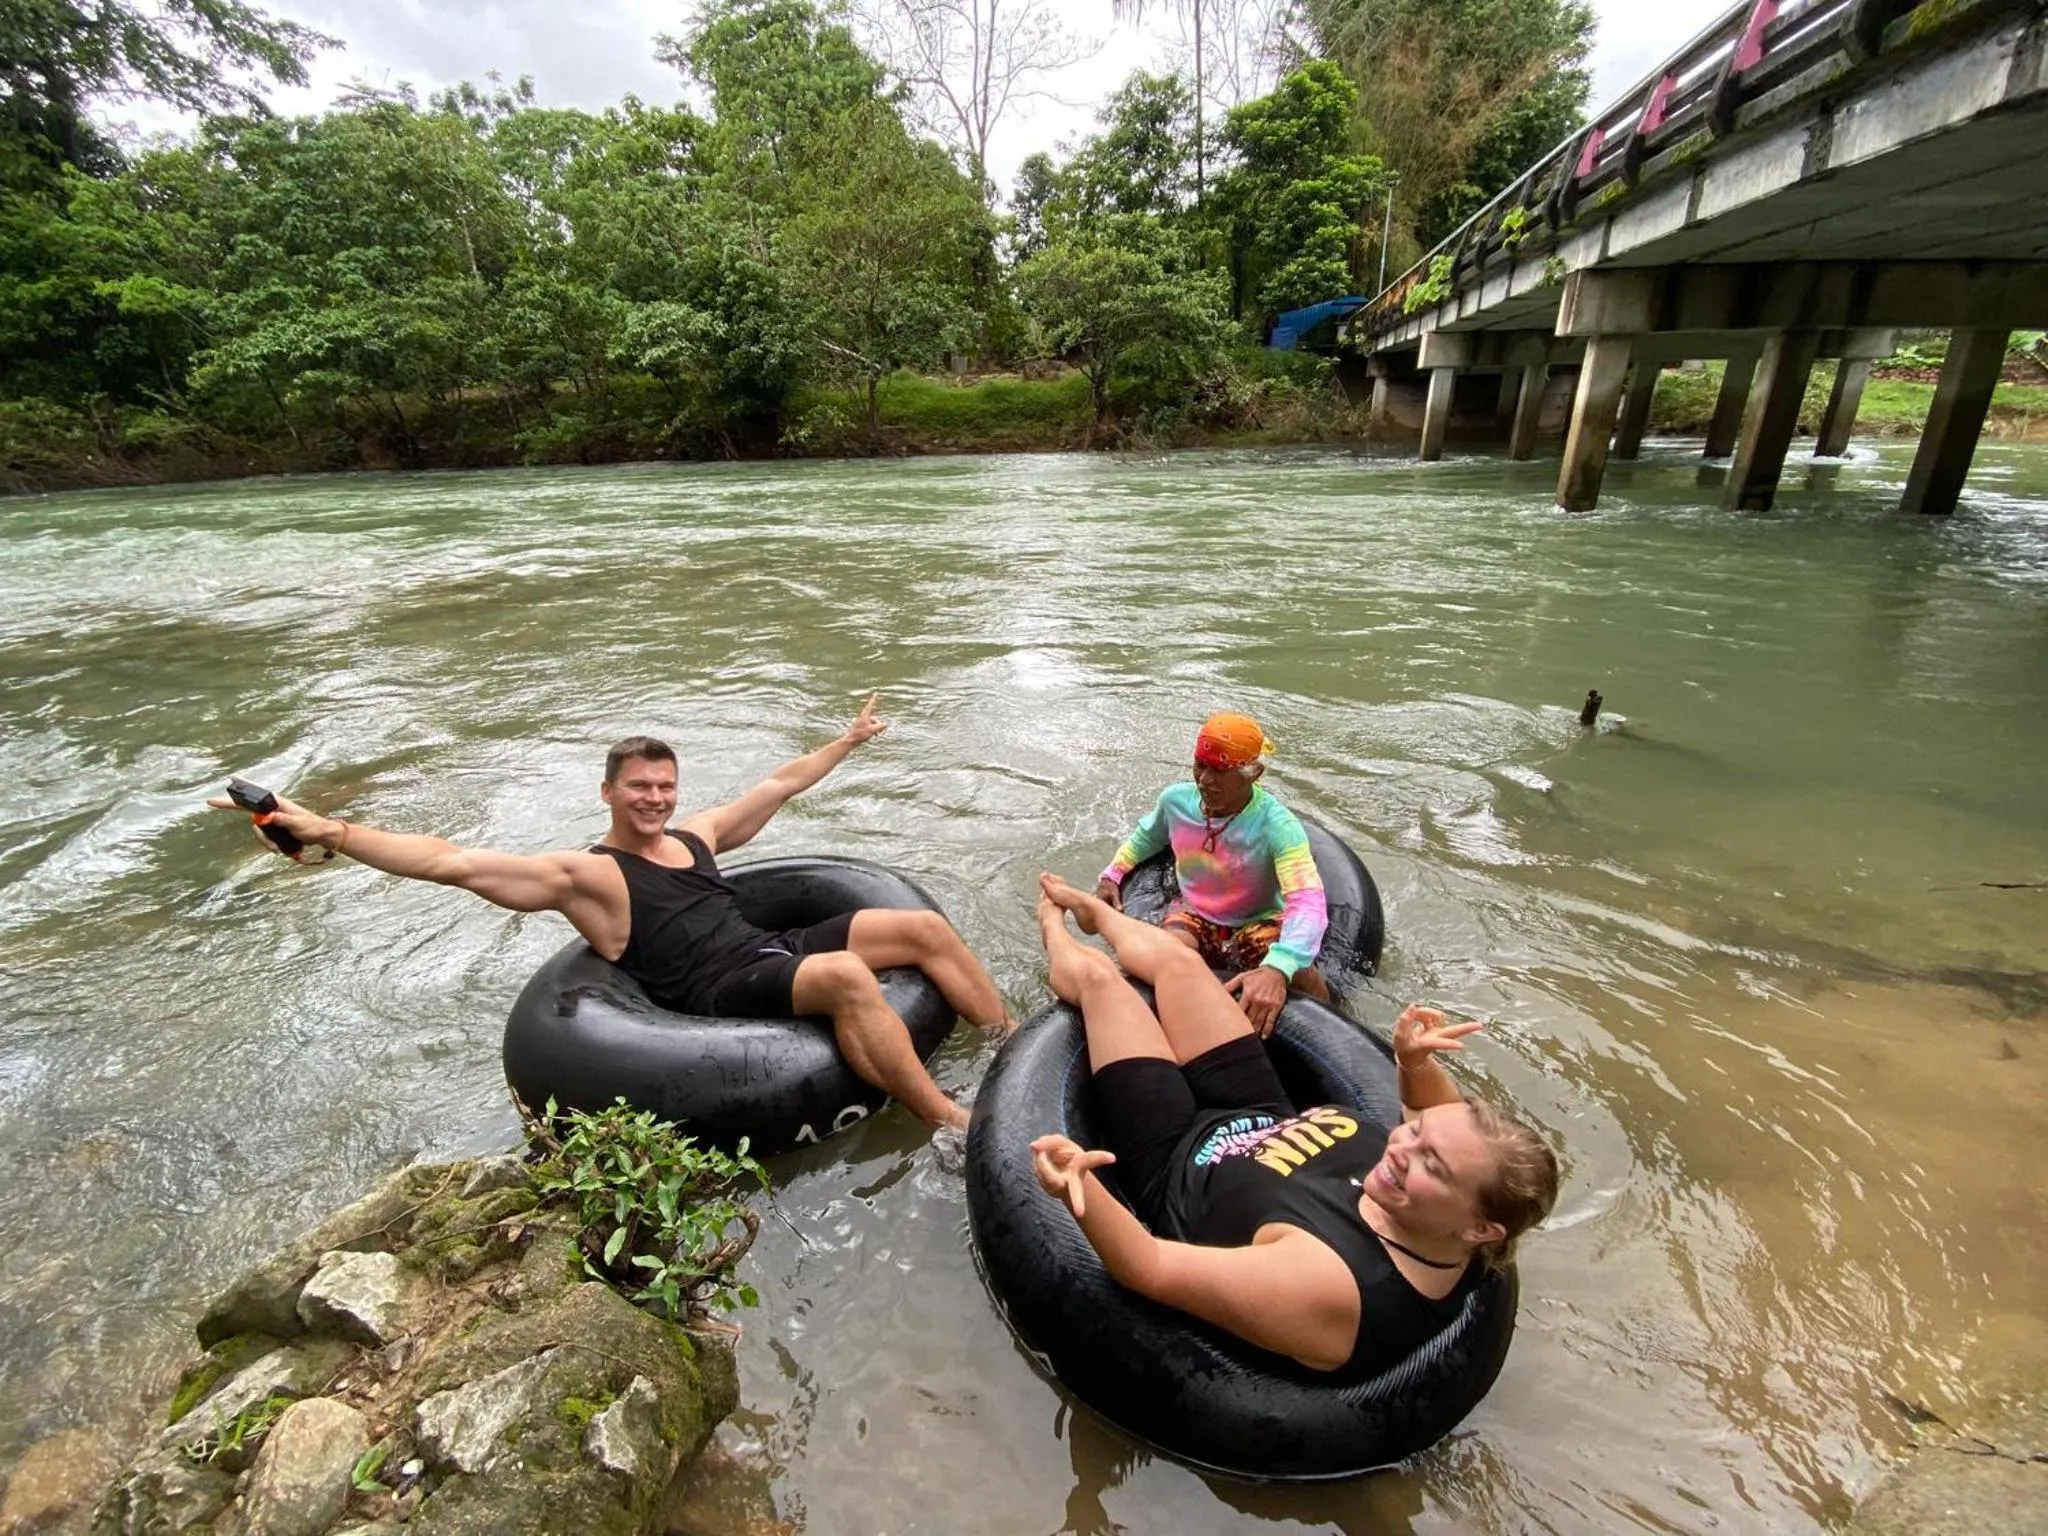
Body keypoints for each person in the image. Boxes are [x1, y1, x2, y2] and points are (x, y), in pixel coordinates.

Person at [209, 696, 1011, 1131]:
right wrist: (329, 830)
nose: (656, 799)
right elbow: (451, 862)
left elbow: (777, 785)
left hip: (765, 946)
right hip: (715, 990)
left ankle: (1008, 1040)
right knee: (841, 974)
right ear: (608, 793)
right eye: (639, 787)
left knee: (923, 929)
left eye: (665, 786)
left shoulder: (695, 835)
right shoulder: (589, 877)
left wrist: (847, 739)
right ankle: (945, 1121)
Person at [1027, 874, 1558, 1378]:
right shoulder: (1437, 1215)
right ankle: (1098, 912)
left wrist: (1082, 1186)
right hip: (1265, 1113)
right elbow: (1431, 1118)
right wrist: (1414, 1063)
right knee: (1182, 968)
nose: (1401, 1146)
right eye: (1414, 1137)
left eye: (1430, 1164)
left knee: (1102, 982)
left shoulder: (1332, 1285)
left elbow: (1150, 1268)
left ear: (1480, 1231)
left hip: (1179, 1157)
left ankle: (1052, 926)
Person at [1095, 711, 1329, 1036]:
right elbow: (1147, 837)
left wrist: (1279, 966)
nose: (1204, 779)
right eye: (1199, 765)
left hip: (1257, 917)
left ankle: (1332, 1026)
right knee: (1163, 958)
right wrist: (1113, 873)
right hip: (1195, 912)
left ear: (1253, 773)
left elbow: (1307, 900)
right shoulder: (1175, 801)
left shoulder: (1278, 825)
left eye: (1219, 770)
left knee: (1299, 971)